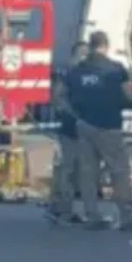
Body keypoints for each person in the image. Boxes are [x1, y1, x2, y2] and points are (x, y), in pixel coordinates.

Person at [64, 31, 132, 232]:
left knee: (88, 173)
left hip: (84, 125)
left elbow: (63, 96)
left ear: (90, 46)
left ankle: (92, 215)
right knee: (119, 171)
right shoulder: (116, 69)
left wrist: (76, 114)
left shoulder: (77, 70)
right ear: (106, 46)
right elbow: (129, 95)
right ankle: (126, 217)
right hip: (109, 126)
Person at [46, 40, 91, 225]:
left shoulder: (82, 74)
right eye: (81, 54)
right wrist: (73, 115)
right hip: (70, 127)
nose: (84, 57)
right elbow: (57, 98)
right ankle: (61, 210)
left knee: (74, 169)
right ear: (74, 55)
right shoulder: (68, 74)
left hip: (81, 128)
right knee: (68, 168)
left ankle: (63, 208)